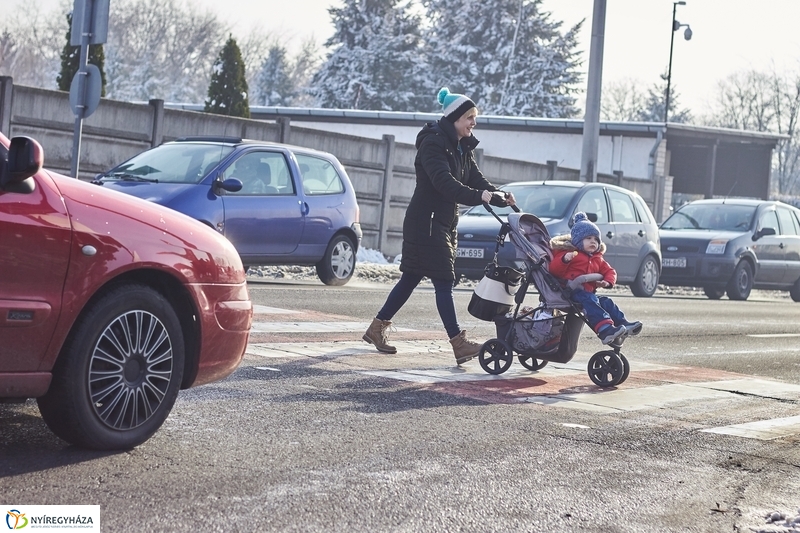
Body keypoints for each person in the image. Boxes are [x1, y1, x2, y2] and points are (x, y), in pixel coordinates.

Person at [362, 87, 516, 365]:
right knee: (444, 279)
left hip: (441, 222)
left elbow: (476, 179)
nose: (473, 123)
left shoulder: (461, 147)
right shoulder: (433, 143)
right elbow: (445, 183)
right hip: (426, 222)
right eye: (470, 117)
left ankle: (376, 328)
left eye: (474, 118)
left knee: (410, 277)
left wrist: (499, 196)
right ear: (455, 118)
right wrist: (478, 197)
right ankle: (458, 343)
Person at [549, 212, 643, 345]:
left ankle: (623, 323)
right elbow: (554, 270)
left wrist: (607, 282)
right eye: (588, 238)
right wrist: (564, 260)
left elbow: (610, 271)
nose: (593, 241)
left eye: (596, 239)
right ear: (577, 240)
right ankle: (605, 329)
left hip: (588, 293)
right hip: (571, 292)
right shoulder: (570, 254)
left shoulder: (597, 258)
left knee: (606, 302)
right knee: (590, 300)